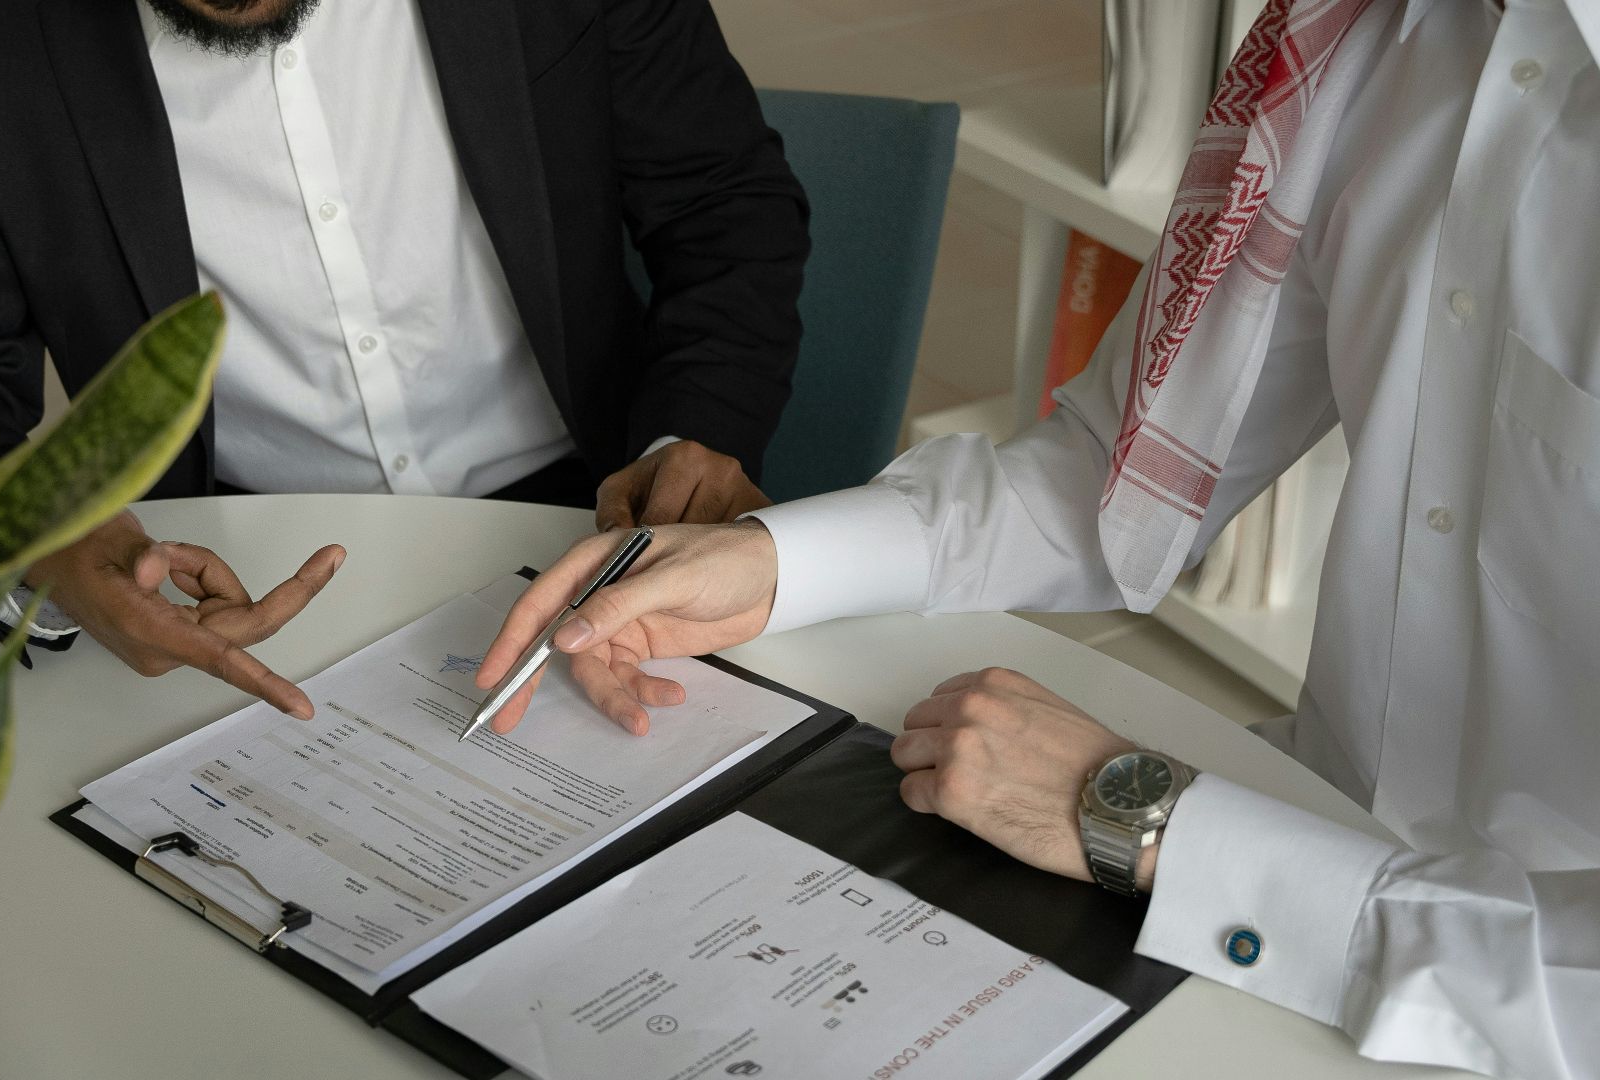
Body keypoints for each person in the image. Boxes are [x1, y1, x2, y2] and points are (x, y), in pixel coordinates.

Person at [478, 1, 1600, 1076]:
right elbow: (1116, 476)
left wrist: (1149, 823)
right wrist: (771, 562)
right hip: (1294, 851)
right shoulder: (1374, 38)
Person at [0, 0, 808, 717]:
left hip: (590, 518)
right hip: (236, 563)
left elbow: (723, 206)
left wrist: (691, 435)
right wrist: (40, 534)